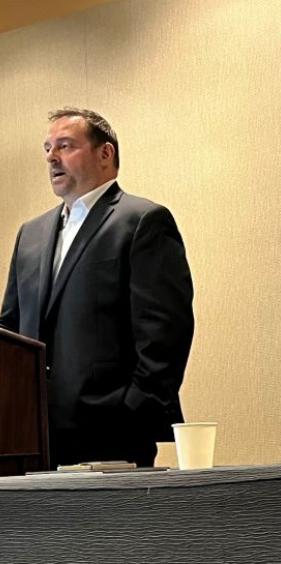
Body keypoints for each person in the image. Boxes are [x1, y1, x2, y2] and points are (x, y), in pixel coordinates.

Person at [0, 108, 195, 466]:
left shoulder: (142, 221)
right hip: (28, 439)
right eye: (47, 148)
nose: (51, 158)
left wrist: (131, 412)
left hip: (111, 436)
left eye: (65, 145)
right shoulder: (31, 234)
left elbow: (166, 333)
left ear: (105, 154)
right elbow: (9, 331)